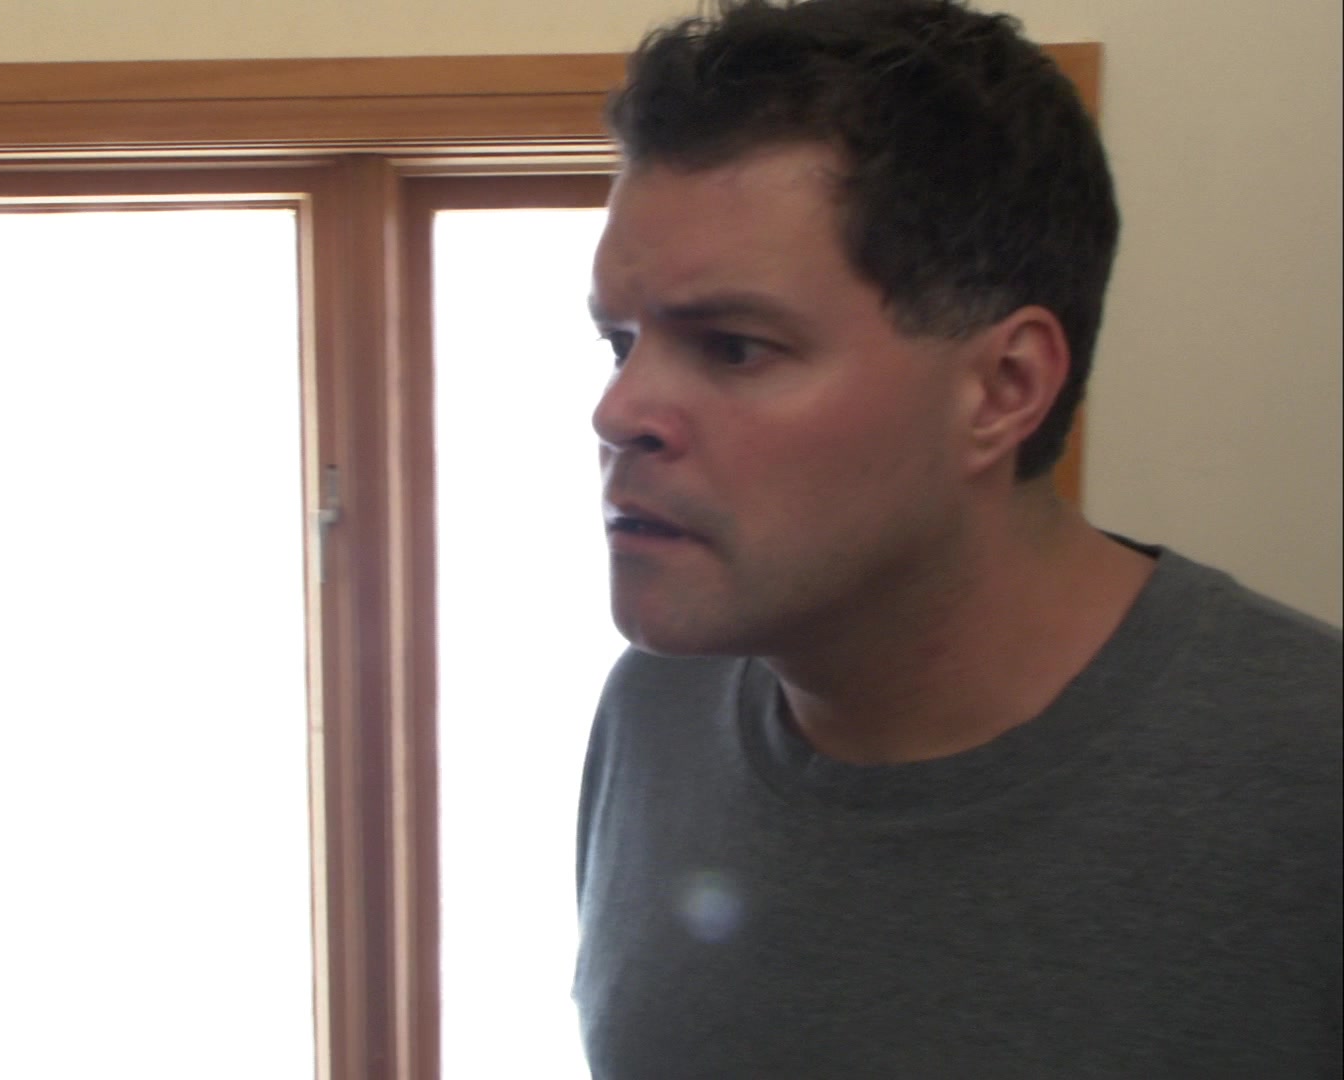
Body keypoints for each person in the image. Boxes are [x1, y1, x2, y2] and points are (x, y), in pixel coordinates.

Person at [573, 1, 1343, 1076]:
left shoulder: (1308, 778)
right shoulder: (653, 714)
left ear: (1004, 387)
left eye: (734, 347)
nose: (618, 413)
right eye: (620, 343)